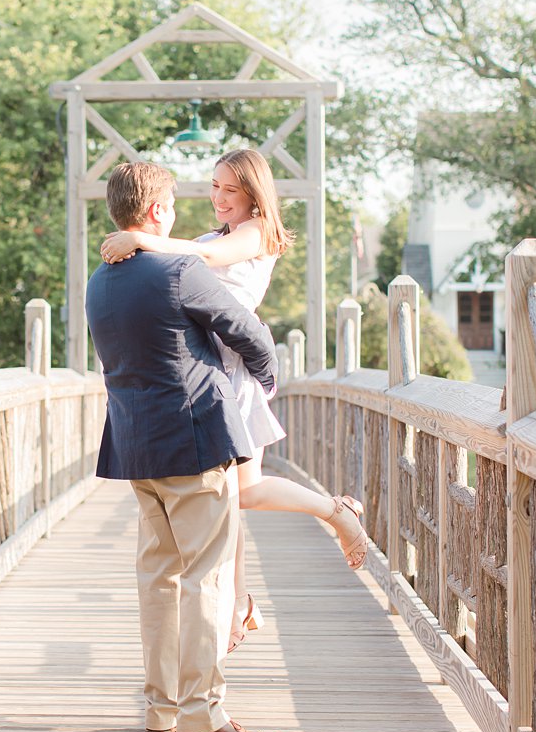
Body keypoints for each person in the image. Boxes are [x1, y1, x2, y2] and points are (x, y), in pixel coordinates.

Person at [100, 147, 367, 653]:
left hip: (234, 371)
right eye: (214, 187)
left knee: (242, 492)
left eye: (230, 189)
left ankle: (336, 512)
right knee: (231, 498)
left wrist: (139, 238)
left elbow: (208, 261)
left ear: (253, 193)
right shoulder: (204, 237)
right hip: (203, 371)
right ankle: (239, 604)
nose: (218, 197)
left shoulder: (254, 233)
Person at [86, 161, 282, 732]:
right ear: (156, 213)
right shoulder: (180, 269)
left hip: (136, 448)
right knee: (208, 579)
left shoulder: (100, 279)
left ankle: (160, 708)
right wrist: (265, 384)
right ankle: (202, 714)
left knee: (159, 580)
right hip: (195, 440)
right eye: (171, 203)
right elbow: (247, 331)